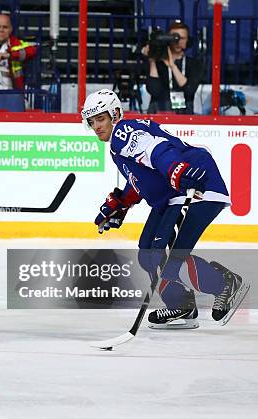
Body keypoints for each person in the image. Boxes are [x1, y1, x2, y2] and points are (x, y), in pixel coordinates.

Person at [82, 89, 249, 329]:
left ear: (115, 114)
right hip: (174, 193)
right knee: (148, 254)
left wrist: (177, 170)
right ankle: (181, 305)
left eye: (101, 118)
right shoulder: (117, 147)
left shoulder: (122, 131)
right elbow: (143, 179)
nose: (97, 126)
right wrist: (121, 202)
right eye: (92, 121)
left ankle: (224, 283)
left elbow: (156, 150)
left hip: (197, 184)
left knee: (167, 257)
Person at [144, 22, 202, 114]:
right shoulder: (158, 63)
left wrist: (172, 66)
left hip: (184, 114)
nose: (178, 41)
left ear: (188, 40)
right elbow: (154, 90)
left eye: (182, 38)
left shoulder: (194, 64)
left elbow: (189, 89)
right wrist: (152, 60)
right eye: (174, 38)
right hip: (159, 111)